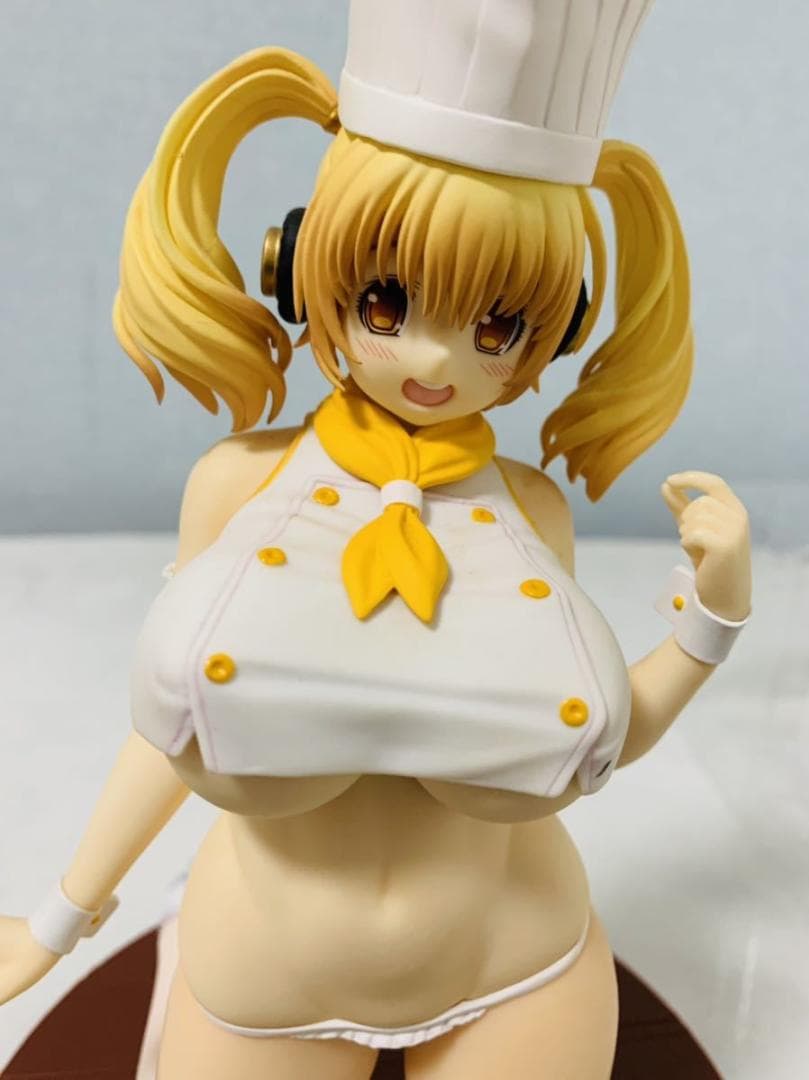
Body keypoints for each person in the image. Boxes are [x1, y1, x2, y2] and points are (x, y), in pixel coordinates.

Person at [0, 3, 752, 1077]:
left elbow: (586, 732)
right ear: (299, 268)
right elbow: (166, 730)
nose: (437, 361)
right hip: (266, 979)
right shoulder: (241, 484)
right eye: (389, 302)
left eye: (497, 326)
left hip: (517, 964)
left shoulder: (531, 512)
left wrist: (707, 627)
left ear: (560, 329)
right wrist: (56, 921)